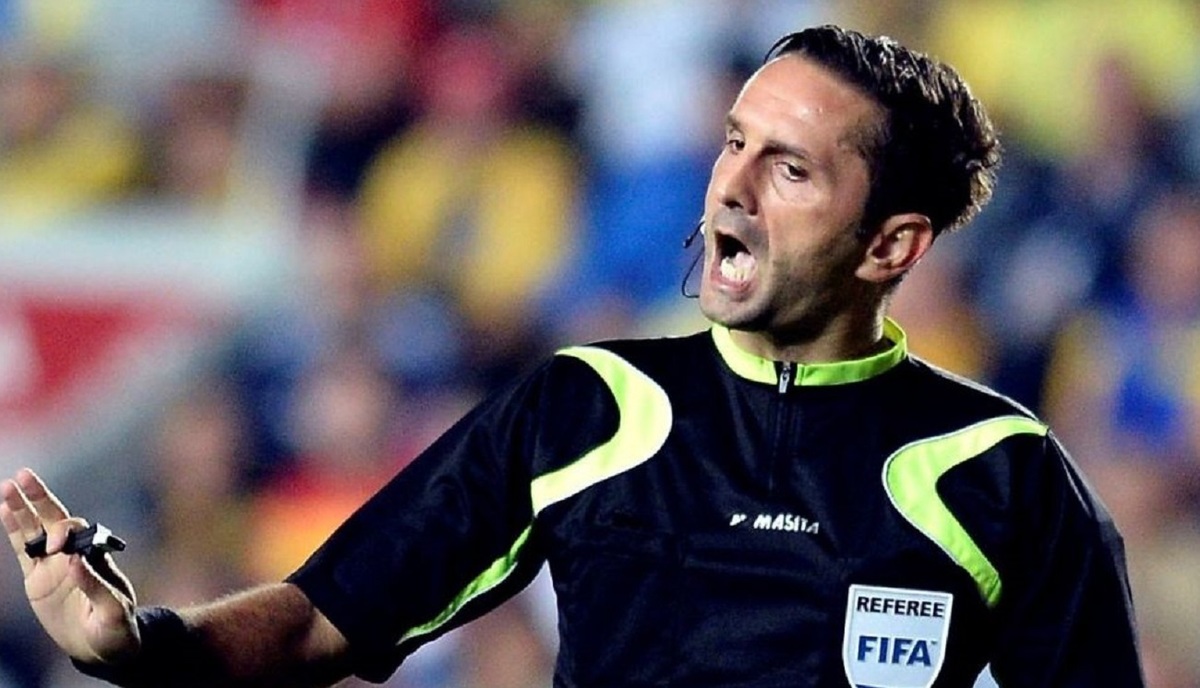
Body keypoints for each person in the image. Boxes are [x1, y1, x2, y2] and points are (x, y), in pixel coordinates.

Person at [0, 24, 1144, 688]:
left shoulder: (1002, 470)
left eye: (790, 168)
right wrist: (139, 644)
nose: (730, 187)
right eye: (734, 142)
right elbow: (319, 620)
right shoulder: (589, 404)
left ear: (892, 244)